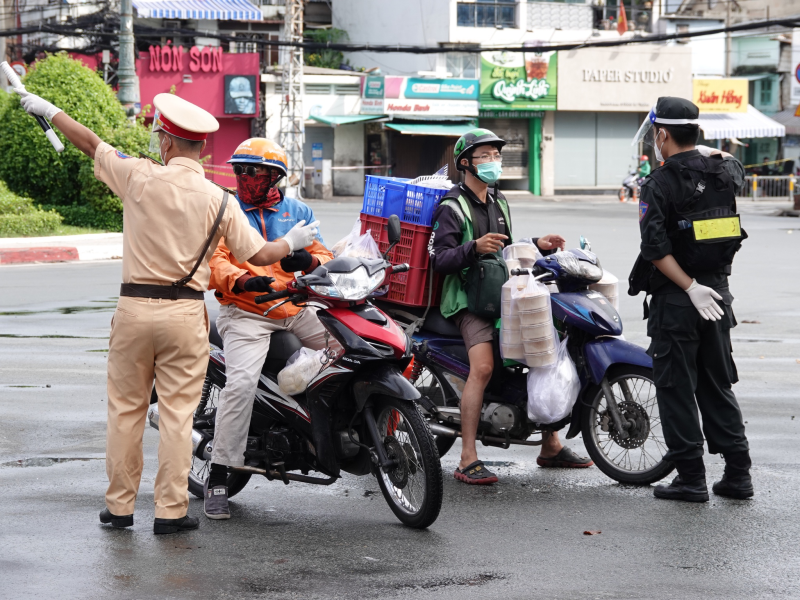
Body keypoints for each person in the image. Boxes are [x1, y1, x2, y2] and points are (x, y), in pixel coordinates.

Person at [11, 88, 320, 533]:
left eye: (159, 137)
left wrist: (49, 109)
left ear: (167, 142)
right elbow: (259, 253)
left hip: (135, 309)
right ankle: (171, 512)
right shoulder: (221, 199)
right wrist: (292, 242)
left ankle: (119, 508)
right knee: (178, 415)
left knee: (126, 411)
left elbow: (90, 143)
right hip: (186, 315)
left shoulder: (139, 176)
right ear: (201, 147)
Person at [429, 128, 593, 485]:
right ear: (465, 163)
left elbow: (505, 247)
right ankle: (467, 456)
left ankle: (550, 444)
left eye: (496, 156)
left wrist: (537, 243)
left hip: (504, 291)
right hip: (466, 300)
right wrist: (473, 248)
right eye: (484, 156)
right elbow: (440, 259)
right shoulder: (451, 207)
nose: (493, 162)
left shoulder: (499, 200)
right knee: (484, 367)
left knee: (543, 349)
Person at [204, 138, 334, 520]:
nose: (243, 178)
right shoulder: (227, 209)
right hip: (246, 312)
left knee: (348, 354)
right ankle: (219, 476)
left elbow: (325, 255)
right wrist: (243, 283)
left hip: (295, 307)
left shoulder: (298, 210)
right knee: (240, 384)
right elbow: (216, 262)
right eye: (239, 170)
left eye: (252, 172)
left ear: (276, 176)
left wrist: (308, 259)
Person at [632, 96, 752, 503]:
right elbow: (734, 167)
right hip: (718, 296)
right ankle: (738, 475)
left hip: (680, 301)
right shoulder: (726, 170)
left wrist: (688, 286)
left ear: (661, 134)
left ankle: (691, 478)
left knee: (676, 388)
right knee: (717, 385)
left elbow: (655, 250)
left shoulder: (659, 182)